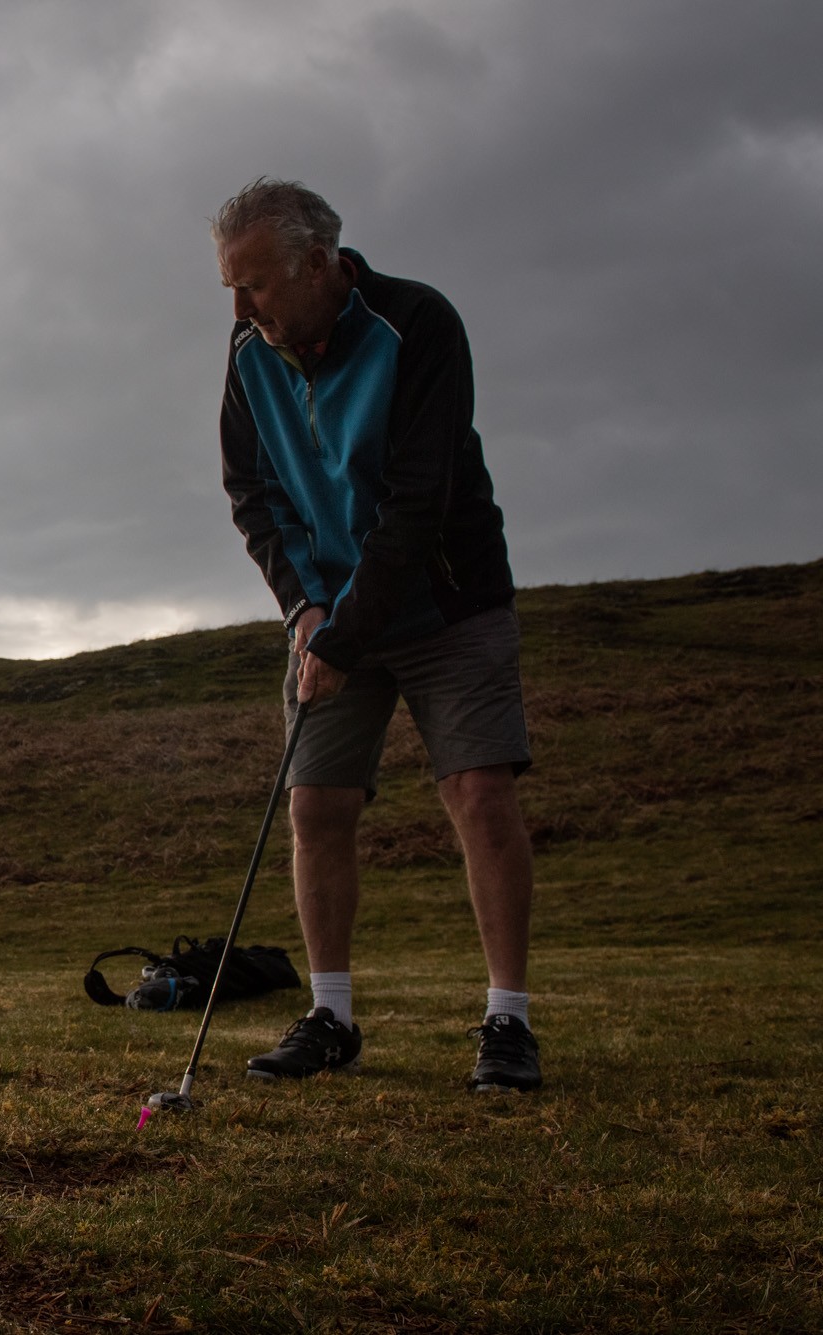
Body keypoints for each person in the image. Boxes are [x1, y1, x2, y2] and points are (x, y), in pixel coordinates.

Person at [213, 178, 541, 1092]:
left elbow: (415, 503)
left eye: (257, 284)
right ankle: (330, 1014)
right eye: (230, 290)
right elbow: (253, 496)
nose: (242, 308)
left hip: (447, 602)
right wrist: (304, 610)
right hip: (330, 617)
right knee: (316, 807)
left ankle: (507, 1024)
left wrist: (341, 634)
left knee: (479, 792)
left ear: (318, 262)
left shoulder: (419, 323)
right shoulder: (249, 352)